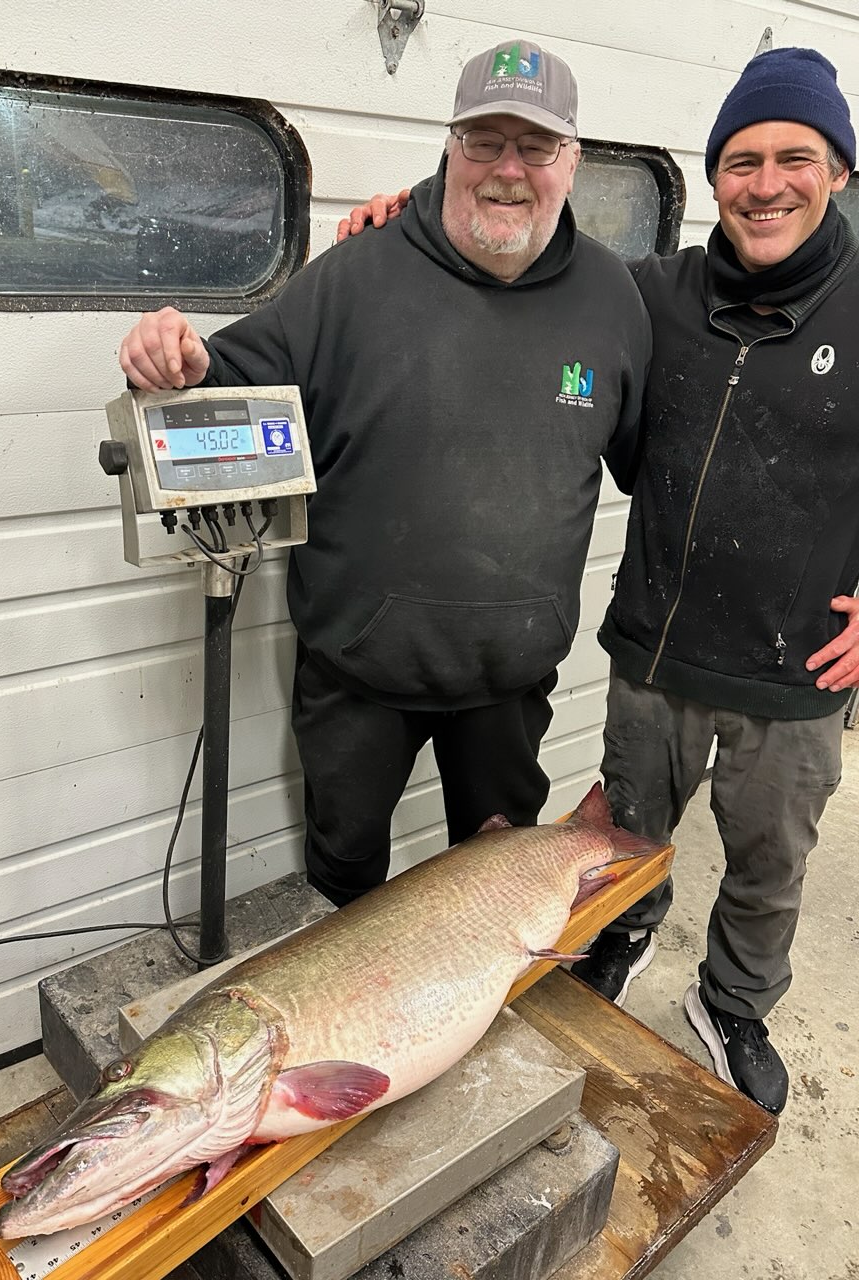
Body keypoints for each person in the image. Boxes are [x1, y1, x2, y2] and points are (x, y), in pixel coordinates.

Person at [339, 45, 859, 1116]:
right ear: (714, 176)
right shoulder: (649, 293)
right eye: (743, 161)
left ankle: (734, 1005)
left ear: (839, 172)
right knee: (618, 839)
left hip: (797, 670)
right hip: (656, 654)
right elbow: (522, 245)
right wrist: (407, 221)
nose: (766, 185)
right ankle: (619, 941)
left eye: (795, 159)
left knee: (768, 867)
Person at [118, 41, 651, 911]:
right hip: (357, 677)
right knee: (345, 889)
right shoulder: (352, 277)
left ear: (573, 160)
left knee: (499, 899)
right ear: (450, 145)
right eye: (484, 140)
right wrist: (170, 356)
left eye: (536, 145)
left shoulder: (613, 299)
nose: (508, 169)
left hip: (511, 681)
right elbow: (223, 376)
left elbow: (652, 463)